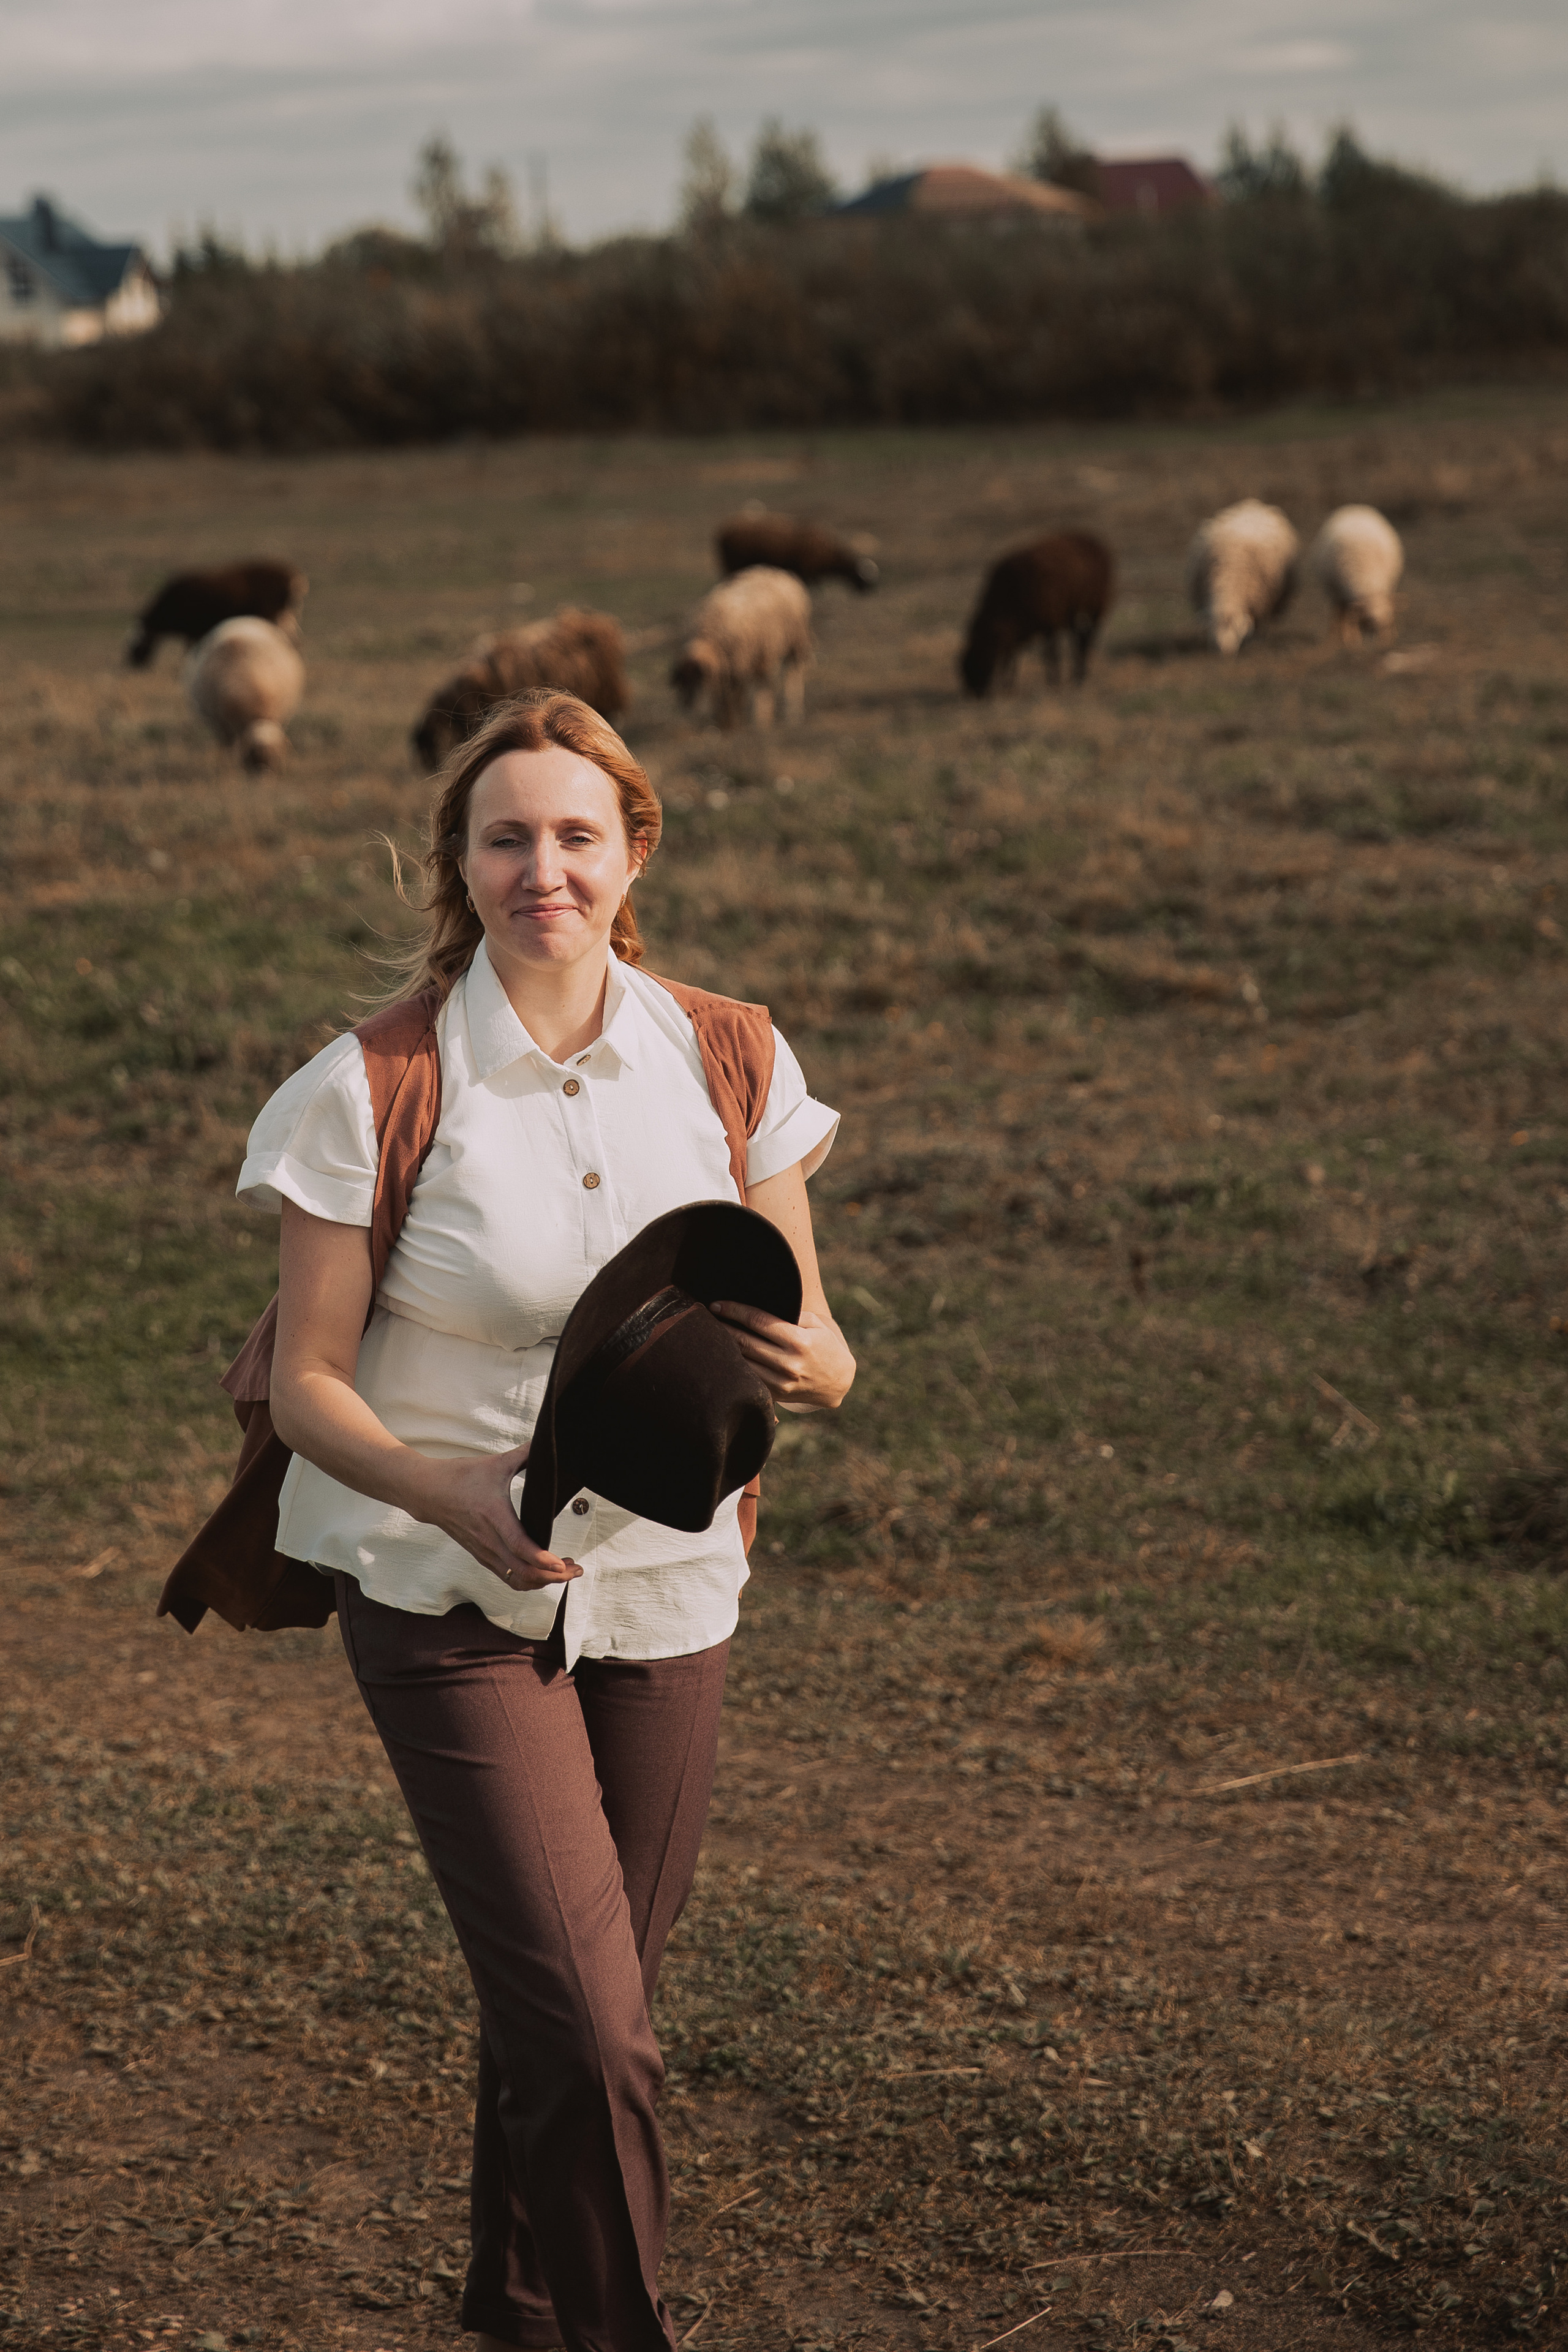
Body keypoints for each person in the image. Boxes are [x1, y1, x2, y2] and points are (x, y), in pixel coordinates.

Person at [237, 690, 854, 2351]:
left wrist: (819, 1368)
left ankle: (520, 2310)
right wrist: (443, 1492)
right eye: (506, 837)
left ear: (631, 847)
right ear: (459, 860)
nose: (544, 869)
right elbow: (303, 1382)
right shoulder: (373, 1084)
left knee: (578, 2016)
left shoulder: (728, 1050)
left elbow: (820, 1328)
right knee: (592, 2035)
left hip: (669, 1595)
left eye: (578, 835)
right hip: (443, 1592)